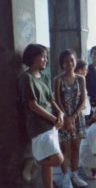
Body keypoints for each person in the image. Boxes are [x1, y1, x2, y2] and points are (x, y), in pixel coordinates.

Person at [18, 44, 64, 188]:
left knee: (49, 161)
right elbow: (33, 105)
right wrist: (53, 119)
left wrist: (60, 113)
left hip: (51, 124)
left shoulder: (44, 77)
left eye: (46, 57)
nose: (45, 60)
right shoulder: (26, 77)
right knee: (58, 159)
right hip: (38, 125)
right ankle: (33, 162)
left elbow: (51, 99)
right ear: (32, 57)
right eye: (42, 56)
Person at [54, 50, 87, 187]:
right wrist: (66, 117)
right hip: (63, 118)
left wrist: (73, 117)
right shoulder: (58, 80)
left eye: (72, 60)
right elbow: (57, 100)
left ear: (75, 61)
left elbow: (83, 101)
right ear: (62, 63)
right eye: (66, 61)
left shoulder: (81, 79)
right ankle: (65, 177)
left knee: (76, 147)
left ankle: (74, 174)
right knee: (65, 149)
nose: (69, 63)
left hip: (77, 118)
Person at [75, 60, 91, 125]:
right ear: (80, 70)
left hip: (84, 112)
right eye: (85, 70)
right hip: (79, 113)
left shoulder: (82, 81)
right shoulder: (77, 82)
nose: (86, 72)